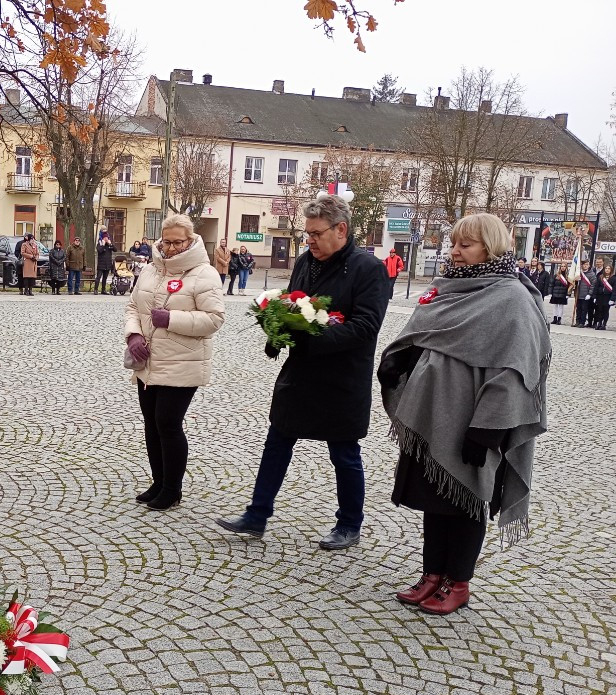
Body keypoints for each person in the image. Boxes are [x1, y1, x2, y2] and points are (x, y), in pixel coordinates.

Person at [378, 213, 550, 615]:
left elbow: (515, 369)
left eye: (465, 245)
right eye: (453, 243)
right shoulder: (448, 287)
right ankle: (432, 574)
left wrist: (489, 427)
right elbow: (426, 335)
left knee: (467, 500)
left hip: (475, 420)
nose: (454, 251)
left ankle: (458, 582)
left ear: (490, 248)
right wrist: (401, 360)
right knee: (434, 499)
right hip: (433, 412)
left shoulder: (512, 299)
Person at [217, 195, 390, 549]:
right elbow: (293, 303)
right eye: (306, 234)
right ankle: (257, 514)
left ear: (341, 229)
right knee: (277, 440)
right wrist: (275, 330)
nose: (309, 240)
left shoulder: (367, 269)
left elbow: (366, 326)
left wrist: (312, 339)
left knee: (344, 452)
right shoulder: (305, 261)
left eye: (315, 233)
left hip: (342, 378)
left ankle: (349, 524)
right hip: (300, 374)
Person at [124, 213, 225, 511]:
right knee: (152, 425)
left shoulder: (204, 273)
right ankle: (158, 482)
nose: (171, 248)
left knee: (168, 423)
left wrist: (172, 319)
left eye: (178, 242)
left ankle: (172, 489)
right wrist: (133, 335)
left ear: (191, 240)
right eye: (166, 241)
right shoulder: (151, 269)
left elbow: (214, 319)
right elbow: (133, 306)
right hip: (148, 360)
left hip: (183, 360)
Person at [573, 258, 595, 328]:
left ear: (589, 265)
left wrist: (589, 294)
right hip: (578, 294)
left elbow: (593, 285)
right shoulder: (578, 273)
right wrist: (576, 280)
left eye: (587, 264)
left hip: (586, 295)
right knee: (578, 309)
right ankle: (577, 321)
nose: (585, 266)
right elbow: (574, 283)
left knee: (584, 309)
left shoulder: (592, 274)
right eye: (584, 264)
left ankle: (582, 322)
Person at [593, 263, 613, 330]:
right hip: (600, 296)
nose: (607, 270)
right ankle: (599, 323)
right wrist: (594, 296)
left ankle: (604, 324)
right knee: (599, 310)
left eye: (608, 269)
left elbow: (614, 290)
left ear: (611, 270)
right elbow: (596, 287)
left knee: (605, 311)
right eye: (606, 268)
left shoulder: (613, 278)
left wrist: (612, 299)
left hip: (608, 297)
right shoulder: (601, 277)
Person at [20, 232, 38, 297]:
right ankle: (26, 290)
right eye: (31, 239)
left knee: (32, 278)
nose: (33, 240)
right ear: (29, 239)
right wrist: (31, 256)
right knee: (27, 277)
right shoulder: (24, 245)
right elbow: (22, 253)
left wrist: (36, 257)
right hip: (27, 262)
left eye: (33, 239)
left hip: (33, 263)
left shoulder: (35, 245)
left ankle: (31, 290)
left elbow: (37, 253)